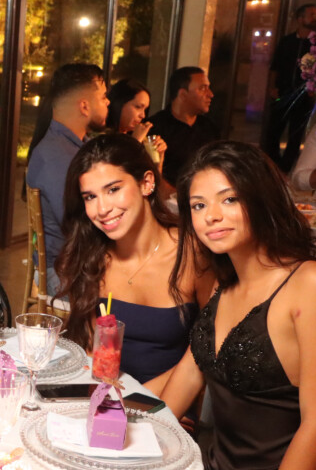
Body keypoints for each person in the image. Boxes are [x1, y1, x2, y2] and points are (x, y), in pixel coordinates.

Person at [161, 140, 316, 470]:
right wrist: (121, 439)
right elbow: (186, 377)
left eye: (229, 199)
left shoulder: (313, 284)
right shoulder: (223, 285)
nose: (212, 216)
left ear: (260, 197)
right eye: (199, 205)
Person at [55, 134, 213, 395]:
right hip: (107, 398)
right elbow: (92, 354)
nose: (102, 209)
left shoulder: (192, 253)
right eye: (90, 197)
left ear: (146, 183)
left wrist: (138, 402)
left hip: (170, 400)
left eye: (113, 190)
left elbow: (208, 350)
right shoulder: (92, 256)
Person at [26, 63, 110, 295]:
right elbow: (78, 224)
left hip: (80, 262)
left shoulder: (74, 146)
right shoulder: (57, 155)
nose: (108, 102)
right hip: (66, 272)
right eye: (103, 97)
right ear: (84, 106)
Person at [263, 4, 316, 173]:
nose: (315, 18)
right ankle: (271, 165)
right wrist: (272, 87)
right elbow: (275, 66)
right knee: (273, 131)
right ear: (300, 19)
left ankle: (285, 169)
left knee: (295, 135)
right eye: (311, 14)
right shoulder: (287, 41)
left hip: (304, 95)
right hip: (283, 92)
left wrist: (314, 89)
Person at [146, 67, 219, 186]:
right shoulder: (154, 128)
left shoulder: (210, 128)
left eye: (208, 88)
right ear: (183, 94)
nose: (210, 94)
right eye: (202, 88)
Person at [106, 78, 170, 195]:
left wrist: (158, 161)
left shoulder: (138, 138)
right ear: (119, 104)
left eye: (145, 109)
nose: (143, 115)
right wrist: (135, 142)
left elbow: (154, 188)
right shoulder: (103, 138)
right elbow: (113, 175)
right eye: (138, 107)